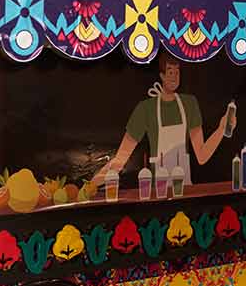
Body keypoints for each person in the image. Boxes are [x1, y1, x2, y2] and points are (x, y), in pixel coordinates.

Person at [94, 51, 236, 187]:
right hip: (158, 193)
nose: (174, 77)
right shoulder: (146, 109)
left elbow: (202, 156)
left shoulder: (189, 104)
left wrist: (221, 129)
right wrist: (91, 186)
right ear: (161, 75)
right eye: (170, 72)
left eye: (177, 72)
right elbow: (120, 160)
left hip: (184, 189)